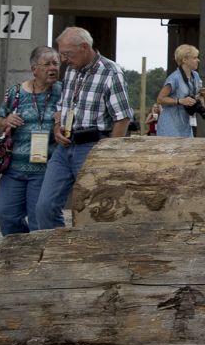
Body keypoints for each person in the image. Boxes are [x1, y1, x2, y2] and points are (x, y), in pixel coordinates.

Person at [34, 28, 134, 231]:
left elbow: (122, 117)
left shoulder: (110, 72)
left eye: (67, 54)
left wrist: (109, 154)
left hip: (92, 147)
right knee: (45, 206)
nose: (62, 59)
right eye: (61, 54)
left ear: (85, 48)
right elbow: (62, 107)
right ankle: (57, 250)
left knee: (94, 208)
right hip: (65, 147)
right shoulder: (72, 70)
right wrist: (57, 127)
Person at [0, 45, 62, 236]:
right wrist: (6, 121)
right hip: (15, 168)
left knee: (40, 220)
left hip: (45, 169)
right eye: (47, 64)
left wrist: (64, 118)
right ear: (34, 69)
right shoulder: (15, 93)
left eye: (55, 63)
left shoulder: (63, 93)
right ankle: (19, 252)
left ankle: (45, 255)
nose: (52, 68)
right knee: (6, 213)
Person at [154, 44, 205, 138]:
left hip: (185, 123)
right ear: (184, 60)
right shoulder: (174, 78)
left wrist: (203, 93)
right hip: (170, 123)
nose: (198, 60)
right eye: (195, 58)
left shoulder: (195, 75)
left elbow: (195, 92)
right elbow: (160, 99)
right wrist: (179, 101)